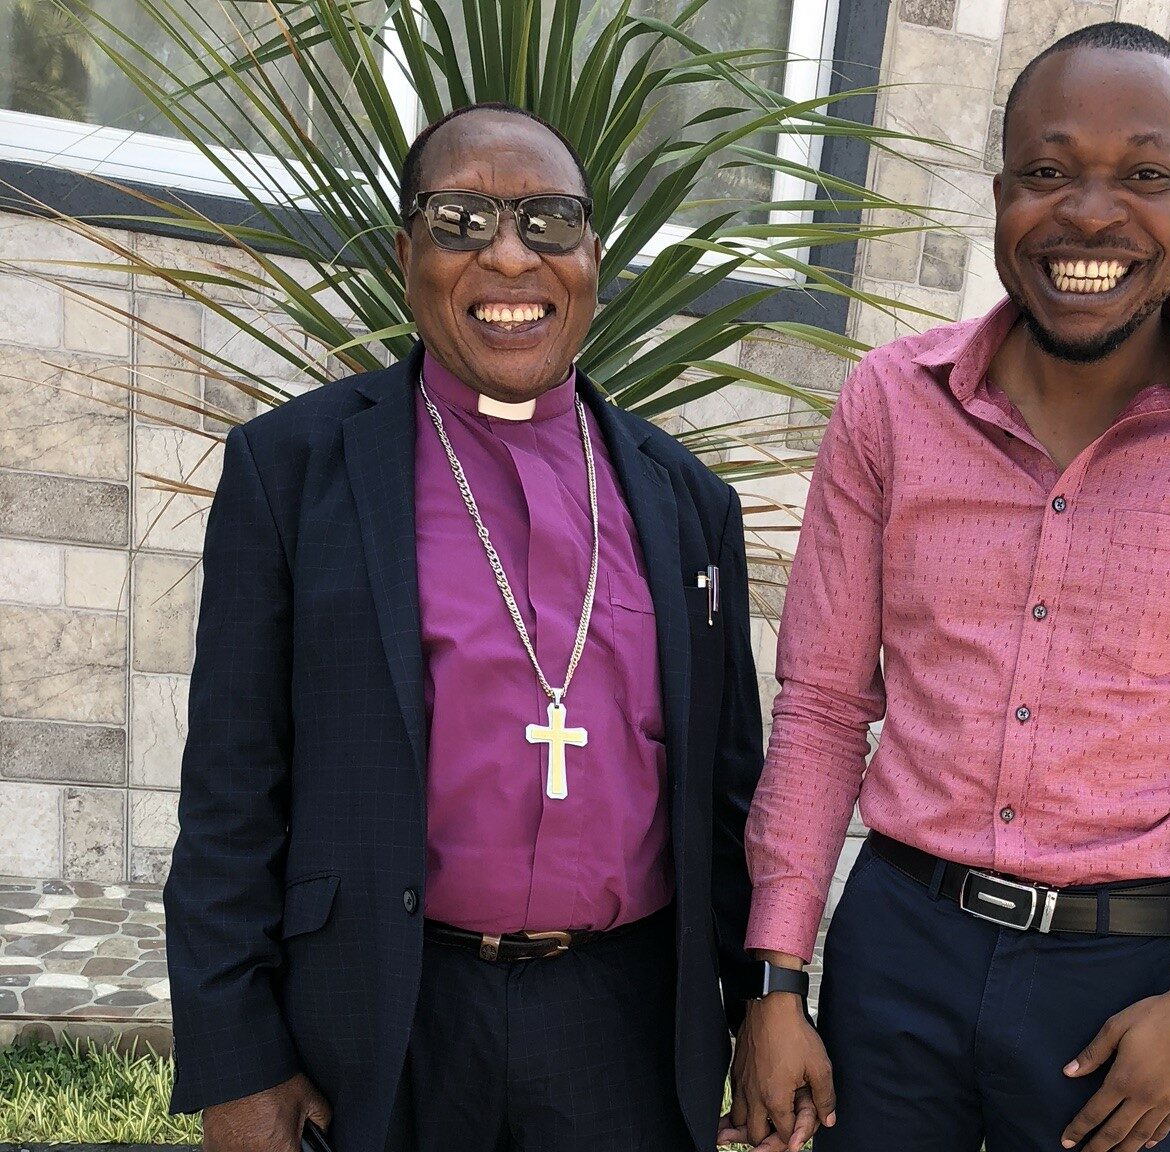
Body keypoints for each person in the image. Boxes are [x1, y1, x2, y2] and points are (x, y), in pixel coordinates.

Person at [725, 22, 1170, 1152]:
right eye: (1048, 172)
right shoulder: (891, 406)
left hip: (1124, 979)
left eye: (1143, 175)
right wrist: (777, 980)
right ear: (1000, 193)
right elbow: (822, 711)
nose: (1090, 214)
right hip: (897, 950)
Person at [165, 102, 764, 1152]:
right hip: (382, 1019)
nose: (507, 255)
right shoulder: (291, 472)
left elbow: (730, 801)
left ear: (593, 254)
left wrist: (764, 1005)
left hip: (619, 1025)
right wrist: (239, 1061)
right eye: (461, 220)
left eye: (548, 220)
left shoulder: (687, 502)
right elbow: (229, 795)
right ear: (406, 255)